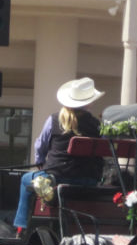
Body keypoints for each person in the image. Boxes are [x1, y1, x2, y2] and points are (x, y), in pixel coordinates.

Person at [12, 77, 105, 236]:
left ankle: (21, 226)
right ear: (89, 103)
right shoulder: (97, 125)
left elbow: (40, 145)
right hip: (89, 180)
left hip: (58, 177)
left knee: (26, 179)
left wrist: (40, 162)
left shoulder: (54, 120)